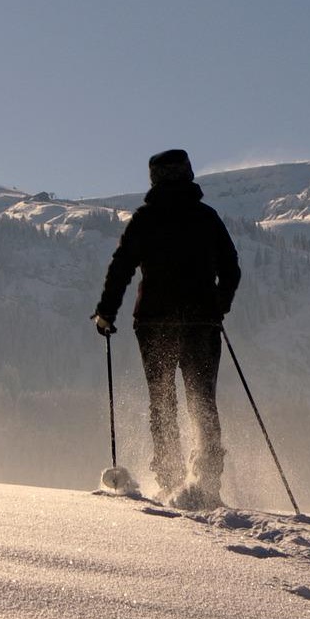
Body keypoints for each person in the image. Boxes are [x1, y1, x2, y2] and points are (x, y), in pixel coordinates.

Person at [93, 149, 241, 509]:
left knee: (162, 401)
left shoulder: (145, 219)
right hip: (202, 323)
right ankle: (207, 485)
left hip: (154, 323)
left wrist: (106, 313)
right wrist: (217, 306)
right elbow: (231, 269)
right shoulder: (206, 218)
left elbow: (122, 267)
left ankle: (171, 480)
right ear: (188, 175)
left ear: (153, 179)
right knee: (202, 401)